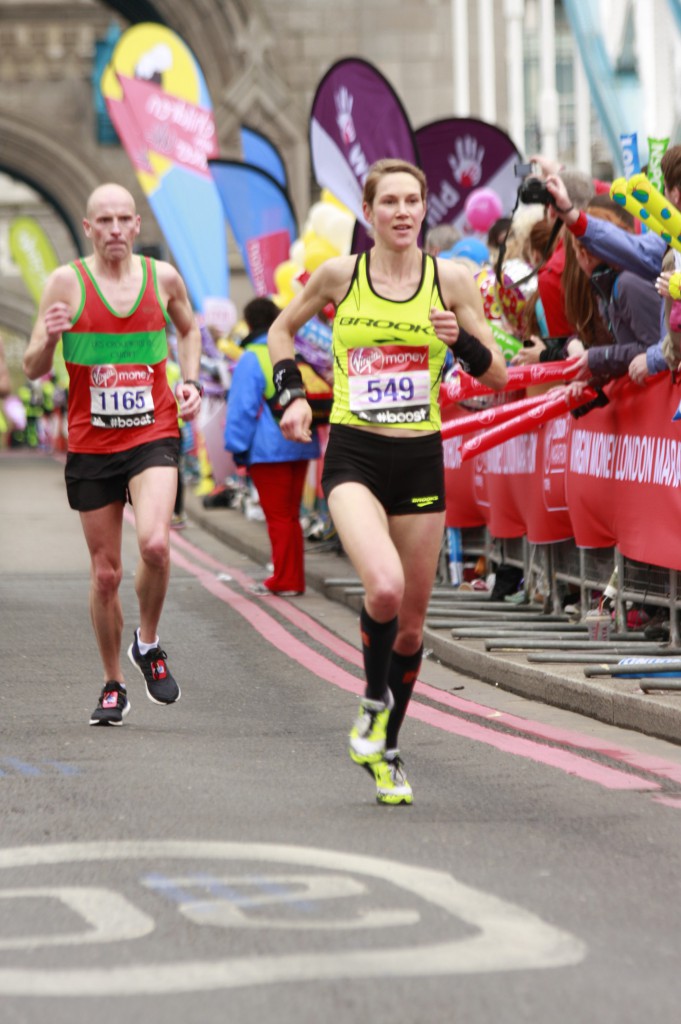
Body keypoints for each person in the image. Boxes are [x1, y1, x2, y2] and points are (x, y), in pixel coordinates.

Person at [267, 158, 507, 805]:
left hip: (419, 459)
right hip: (353, 455)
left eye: (412, 201)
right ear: (368, 212)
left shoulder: (450, 279)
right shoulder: (340, 275)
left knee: (409, 627)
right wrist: (289, 394)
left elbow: (499, 376)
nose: (401, 212)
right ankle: (373, 701)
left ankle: (387, 749)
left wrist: (463, 345)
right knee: (383, 587)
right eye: (388, 202)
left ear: (424, 210)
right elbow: (280, 328)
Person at [22, 183, 203, 726]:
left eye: (125, 219)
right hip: (92, 442)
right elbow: (32, 367)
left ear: (137, 226)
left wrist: (190, 382)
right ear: (88, 228)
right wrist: (49, 341)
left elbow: (190, 330)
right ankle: (113, 683)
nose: (117, 230)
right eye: (105, 221)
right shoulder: (65, 283)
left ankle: (147, 643)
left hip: (152, 433)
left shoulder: (160, 278)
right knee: (105, 575)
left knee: (154, 544)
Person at [224, 296, 320, 596]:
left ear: (250, 323)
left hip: (267, 449)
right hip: (302, 442)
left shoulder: (252, 356)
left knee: (278, 516)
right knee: (291, 515)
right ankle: (291, 578)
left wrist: (236, 447)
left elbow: (241, 408)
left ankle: (285, 580)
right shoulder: (294, 351)